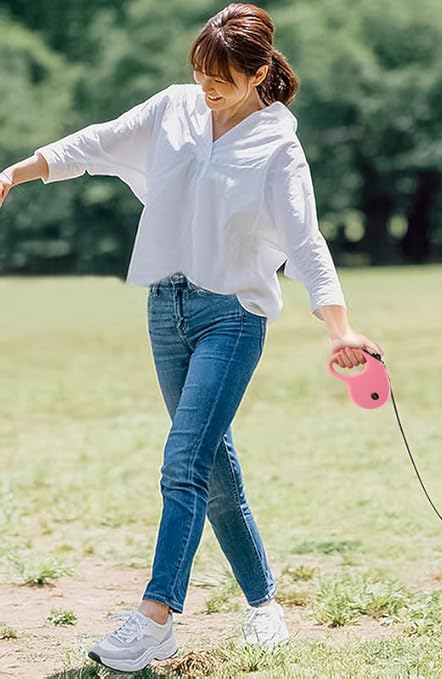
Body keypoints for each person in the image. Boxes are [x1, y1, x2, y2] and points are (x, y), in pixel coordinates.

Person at [0, 3, 382, 673]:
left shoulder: (278, 146)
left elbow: (304, 241)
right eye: (201, 71)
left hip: (232, 316)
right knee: (209, 465)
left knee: (183, 461)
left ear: (258, 73)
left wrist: (338, 326)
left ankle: (156, 619)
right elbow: (96, 143)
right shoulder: (173, 108)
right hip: (166, 307)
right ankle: (263, 603)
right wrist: (13, 173)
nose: (206, 86)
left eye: (222, 77)